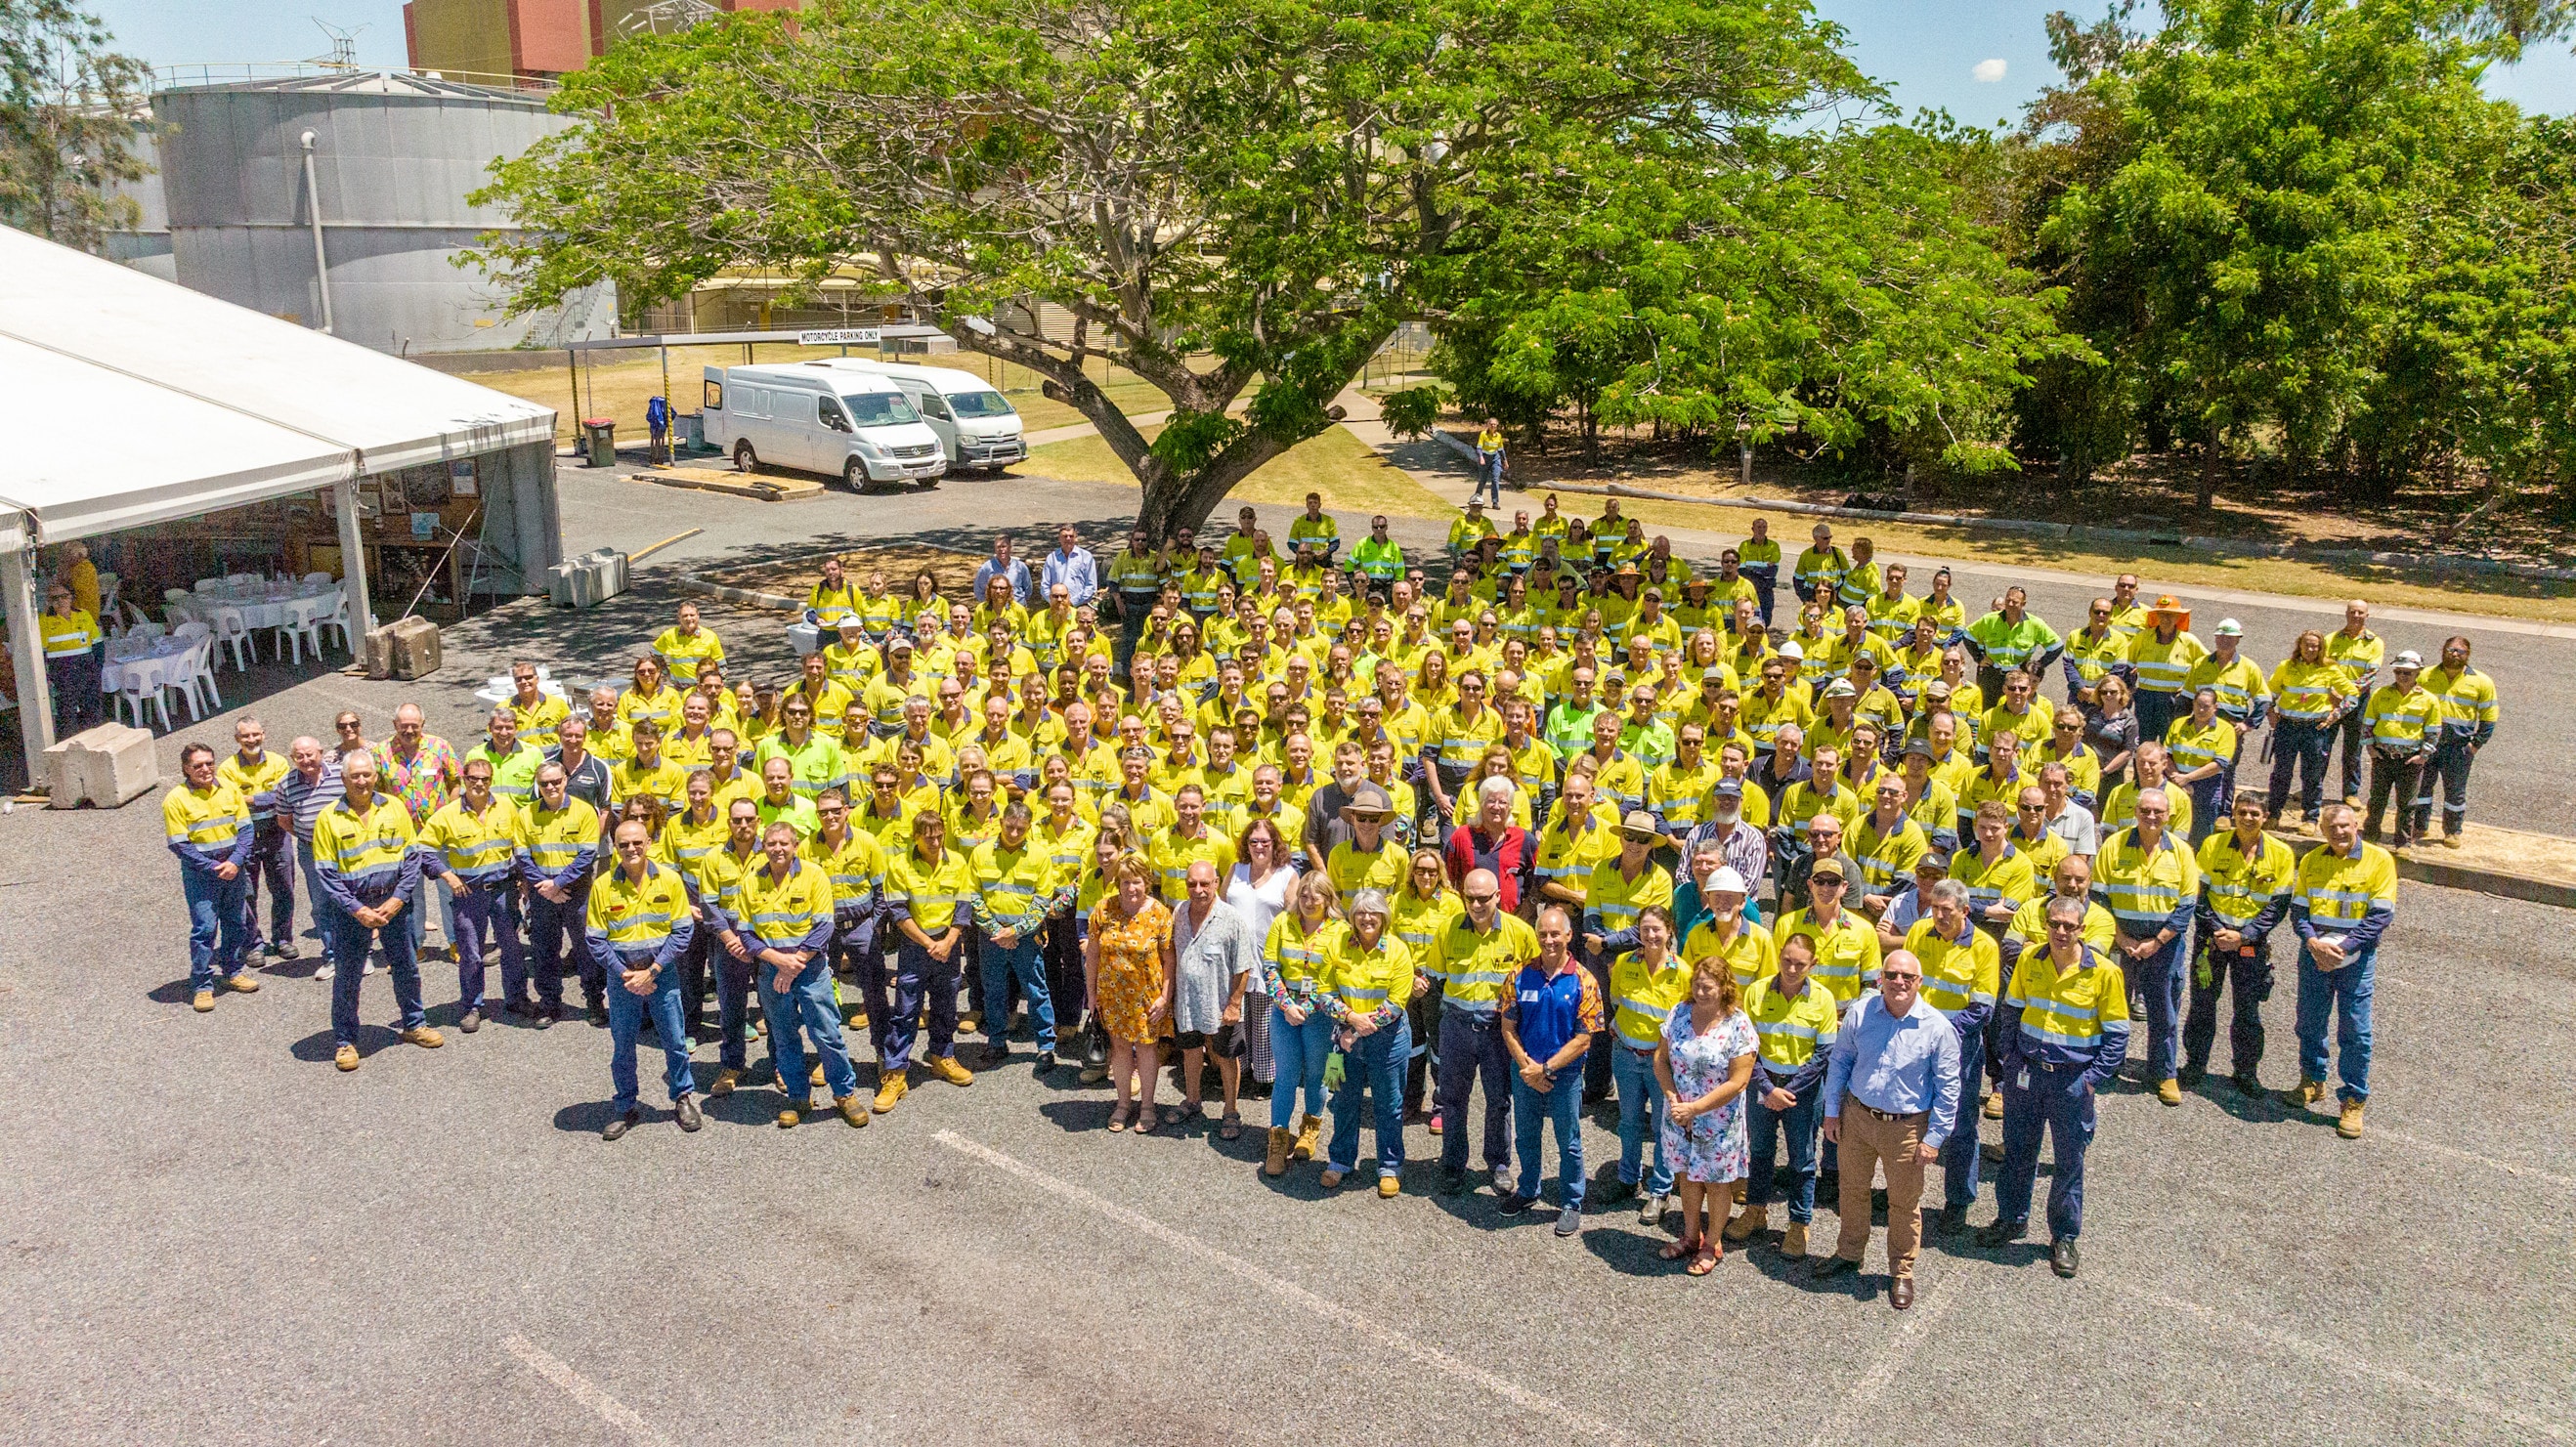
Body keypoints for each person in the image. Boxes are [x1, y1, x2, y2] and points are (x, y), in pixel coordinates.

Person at [1978, 896, 2130, 1278]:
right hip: (2027, 1074)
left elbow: (2117, 1035)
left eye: (2069, 926)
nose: (2061, 932)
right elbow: (2011, 1010)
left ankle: (2063, 1236)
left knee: (2068, 1162)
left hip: (2072, 1081)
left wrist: (2092, 1080)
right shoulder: (2030, 959)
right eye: (2054, 924)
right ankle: (2011, 1218)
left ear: (2082, 930)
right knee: (2017, 1152)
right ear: (2046, 925)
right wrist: (2010, 1058)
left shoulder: (2106, 973)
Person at [1812, 948, 1959, 1310]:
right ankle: (1849, 1253)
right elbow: (1841, 1062)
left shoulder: (1937, 1028)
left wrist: (1934, 1139)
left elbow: (1948, 1088)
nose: (1899, 982)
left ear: (1919, 982)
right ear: (1881, 978)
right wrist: (1832, 1113)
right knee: (1852, 1191)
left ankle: (1902, 1270)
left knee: (1903, 1203)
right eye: (1891, 974)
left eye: (1907, 976)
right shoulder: (1860, 1013)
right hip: (1858, 1117)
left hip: (1906, 1128)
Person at [313, 754, 443, 1072]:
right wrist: (357, 910)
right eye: (355, 776)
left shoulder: (395, 807)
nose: (362, 781)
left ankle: (414, 1024)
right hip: (352, 910)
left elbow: (412, 858)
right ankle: (345, 1041)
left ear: (375, 777)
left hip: (394, 904)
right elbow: (326, 873)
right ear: (344, 779)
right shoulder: (329, 818)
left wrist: (398, 899)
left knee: (406, 967)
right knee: (348, 975)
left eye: (367, 775)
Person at [731, 822, 865, 1128]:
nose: (777, 849)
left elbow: (824, 926)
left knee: (827, 1034)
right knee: (784, 1038)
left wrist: (795, 964)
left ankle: (844, 1094)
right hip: (772, 972)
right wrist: (780, 962)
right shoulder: (751, 882)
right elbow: (746, 933)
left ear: (795, 846)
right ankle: (797, 1097)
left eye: (784, 843)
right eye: (771, 843)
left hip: (811, 971)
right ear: (763, 847)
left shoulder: (814, 876)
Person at [2286, 802, 2397, 1139]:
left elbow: (2380, 916)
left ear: (2357, 825)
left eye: (2345, 826)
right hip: (2315, 955)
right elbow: (2299, 911)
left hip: (2356, 959)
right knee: (2309, 1021)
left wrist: (2343, 948)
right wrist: (2313, 943)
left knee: (2355, 1030)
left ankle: (2353, 1099)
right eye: (2332, 827)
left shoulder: (2379, 860)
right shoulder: (2311, 860)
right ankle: (2312, 1080)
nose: (2339, 832)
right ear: (2322, 830)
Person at [1725, 932, 1838, 1261]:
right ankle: (1756, 1210)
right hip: (1763, 1084)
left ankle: (1799, 1222)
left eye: (1800, 964)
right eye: (1786, 961)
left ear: (1813, 964)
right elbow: (1746, 1046)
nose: (1791, 969)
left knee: (1802, 1158)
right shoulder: (1757, 992)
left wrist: (1787, 1091)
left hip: (1802, 1091)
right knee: (1759, 1151)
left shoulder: (1823, 999)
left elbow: (1823, 1054)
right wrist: (1768, 1088)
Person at [589, 819, 704, 1139]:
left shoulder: (669, 880)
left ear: (649, 843)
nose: (631, 849)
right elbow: (595, 939)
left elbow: (682, 931)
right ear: (615, 847)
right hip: (622, 977)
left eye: (637, 842)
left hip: (661, 974)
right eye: (623, 844)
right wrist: (625, 973)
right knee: (623, 1045)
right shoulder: (602, 886)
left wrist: (652, 971)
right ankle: (626, 1105)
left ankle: (682, 1098)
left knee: (675, 1040)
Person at [1428, 868, 1536, 1194]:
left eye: (1483, 899)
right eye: (1470, 898)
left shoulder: (1520, 933)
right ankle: (1452, 1164)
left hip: (1497, 1031)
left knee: (1499, 1100)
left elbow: (1534, 982)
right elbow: (1436, 976)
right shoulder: (1448, 929)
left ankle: (1499, 1163)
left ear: (1498, 897)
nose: (1476, 905)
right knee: (1452, 1099)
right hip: (1456, 1025)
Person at [1500, 905, 1605, 1236]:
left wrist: (1545, 1068)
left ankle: (1571, 1202)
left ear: (1569, 935)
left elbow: (1584, 1039)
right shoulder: (1519, 975)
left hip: (1566, 1076)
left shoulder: (1584, 981)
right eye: (1543, 934)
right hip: (1526, 1072)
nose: (1549, 940)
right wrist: (1528, 1068)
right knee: (1526, 1136)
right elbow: (1507, 1027)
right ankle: (1528, 1190)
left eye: (1555, 934)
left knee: (1568, 1141)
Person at [1906, 880, 2000, 1236]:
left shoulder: (1984, 947)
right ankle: (1904, 1194)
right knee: (1909, 1119)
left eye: (1947, 910)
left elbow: (1981, 1009)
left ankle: (1958, 1201)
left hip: (1960, 1050)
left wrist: (1938, 1035)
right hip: (1913, 1044)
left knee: (1960, 1126)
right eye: (1935, 908)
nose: (1939, 916)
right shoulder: (1919, 933)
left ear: (1965, 911)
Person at [2093, 787, 2198, 1106]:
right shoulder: (2114, 845)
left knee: (2163, 1010)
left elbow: (2186, 905)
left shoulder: (2181, 851)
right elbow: (2099, 897)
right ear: (2136, 812)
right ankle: (2108, 1066)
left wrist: (2157, 941)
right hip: (2120, 941)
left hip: (2164, 945)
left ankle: (2164, 1073)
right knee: (2111, 1007)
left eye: (2158, 812)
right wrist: (2121, 938)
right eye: (2145, 811)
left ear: (2168, 815)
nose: (2151, 817)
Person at [2185, 793, 2296, 1094]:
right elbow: (2199, 895)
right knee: (2202, 1004)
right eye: (2242, 812)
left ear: (2265, 817)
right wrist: (2218, 930)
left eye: (2255, 814)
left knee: (2247, 1009)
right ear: (2233, 813)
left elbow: (2278, 906)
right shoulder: (2213, 844)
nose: (2248, 818)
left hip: (2250, 945)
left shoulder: (2281, 853)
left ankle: (2246, 1072)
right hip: (2212, 940)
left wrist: (2244, 936)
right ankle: (2195, 1064)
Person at [1655, 953, 1757, 1273]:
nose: (1701, 992)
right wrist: (1673, 1099)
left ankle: (1712, 1244)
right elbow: (1661, 1060)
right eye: (1697, 985)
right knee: (1687, 1176)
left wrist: (1695, 1108)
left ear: (1725, 987)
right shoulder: (1679, 1013)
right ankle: (1690, 1236)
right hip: (1679, 1115)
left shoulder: (1738, 1024)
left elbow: (1739, 1081)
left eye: (1708, 987)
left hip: (1718, 1122)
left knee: (1715, 1182)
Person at [877, 812, 981, 1112]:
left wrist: (949, 941)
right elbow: (899, 912)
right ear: (916, 837)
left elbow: (963, 906)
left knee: (946, 1006)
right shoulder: (900, 865)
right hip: (915, 947)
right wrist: (929, 943)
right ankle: (896, 1073)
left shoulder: (957, 862)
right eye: (928, 837)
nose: (935, 842)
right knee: (906, 1010)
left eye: (939, 836)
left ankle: (941, 1056)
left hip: (948, 946)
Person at [415, 755, 525, 1034]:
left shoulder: (506, 808)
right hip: (469, 894)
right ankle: (472, 1006)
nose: (479, 783)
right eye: (473, 778)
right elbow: (422, 848)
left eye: (484, 779)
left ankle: (516, 999)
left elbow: (520, 845)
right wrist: (447, 875)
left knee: (512, 948)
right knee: (471, 953)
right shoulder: (448, 814)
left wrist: (523, 879)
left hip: (503, 890)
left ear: (491, 781)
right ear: (464, 780)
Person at [1315, 888, 1413, 1194]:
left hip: (1388, 1040)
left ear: (1384, 916)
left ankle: (1390, 1166)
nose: (1367, 918)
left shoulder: (1397, 951)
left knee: (1389, 1105)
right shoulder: (1337, 944)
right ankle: (1341, 1161)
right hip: (1345, 1039)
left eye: (1373, 912)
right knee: (1344, 1101)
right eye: (1360, 912)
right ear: (1352, 916)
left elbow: (1395, 1004)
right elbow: (1323, 992)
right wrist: (1349, 1017)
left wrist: (1356, 1029)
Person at [1605, 905, 1689, 1223]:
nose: (1651, 935)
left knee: (1662, 1127)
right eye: (1645, 929)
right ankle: (1628, 1178)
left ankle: (1660, 1191)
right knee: (1629, 1121)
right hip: (1626, 1055)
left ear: (1669, 931)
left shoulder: (1683, 973)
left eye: (1657, 929)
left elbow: (1686, 1021)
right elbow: (1616, 1001)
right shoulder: (1624, 964)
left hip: (1662, 1062)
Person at [1087, 852, 1176, 1133]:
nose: (1131, 888)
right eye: (1125, 882)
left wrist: (1165, 996)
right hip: (1112, 995)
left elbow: (1169, 959)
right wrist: (1092, 994)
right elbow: (1093, 954)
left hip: (1147, 997)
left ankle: (1147, 1107)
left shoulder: (1159, 913)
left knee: (1147, 1050)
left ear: (1146, 882)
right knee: (1120, 1049)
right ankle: (1123, 1104)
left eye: (1136, 882)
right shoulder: (1104, 909)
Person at [165, 742, 257, 1012]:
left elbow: (246, 829)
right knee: (205, 929)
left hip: (234, 869)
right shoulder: (176, 799)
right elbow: (180, 844)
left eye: (209, 763)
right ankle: (202, 985)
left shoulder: (229, 788)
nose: (205, 769)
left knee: (236, 924)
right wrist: (215, 867)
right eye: (198, 765)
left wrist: (235, 862)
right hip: (202, 876)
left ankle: (232, 971)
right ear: (186, 768)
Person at [1260, 870, 1342, 1170]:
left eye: (1315, 896)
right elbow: (1270, 968)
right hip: (1285, 1011)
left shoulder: (1340, 930)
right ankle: (1278, 1141)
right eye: (1304, 895)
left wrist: (1309, 1006)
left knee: (1318, 1074)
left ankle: (1310, 1129)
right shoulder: (1283, 922)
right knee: (1286, 1075)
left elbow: (1337, 975)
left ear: (1327, 899)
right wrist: (1287, 1006)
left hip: (1320, 1014)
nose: (1308, 901)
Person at [972, 800, 1063, 1068]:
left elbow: (1042, 901)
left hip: (1026, 937)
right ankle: (996, 1043)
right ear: (1001, 822)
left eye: (1020, 829)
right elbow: (973, 896)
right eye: (1010, 827)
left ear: (1029, 827)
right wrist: (997, 931)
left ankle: (1045, 1047)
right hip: (991, 936)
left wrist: (1015, 931)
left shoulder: (1039, 856)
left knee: (1036, 990)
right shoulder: (981, 853)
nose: (1014, 833)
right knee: (994, 991)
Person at [1168, 859, 1255, 1130]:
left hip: (1221, 1004)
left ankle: (1231, 1111)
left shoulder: (1231, 919)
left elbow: (1244, 965)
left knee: (1226, 1057)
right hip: (1187, 1003)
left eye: (1205, 884)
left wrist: (1234, 1004)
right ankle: (1192, 1100)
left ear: (1216, 883)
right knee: (1190, 1051)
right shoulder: (1179, 912)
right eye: (1192, 884)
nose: (1198, 890)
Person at [517, 762, 602, 1027]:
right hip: (542, 893)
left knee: (586, 948)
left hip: (577, 891)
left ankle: (594, 1001)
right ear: (537, 785)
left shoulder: (584, 811)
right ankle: (549, 1004)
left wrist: (558, 884)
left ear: (565, 780)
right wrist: (547, 887)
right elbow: (522, 856)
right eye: (544, 783)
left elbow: (587, 855)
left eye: (556, 781)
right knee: (544, 950)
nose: (551, 787)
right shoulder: (526, 815)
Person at [216, 717, 296, 964]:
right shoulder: (227, 769)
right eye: (245, 736)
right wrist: (265, 799)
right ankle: (253, 944)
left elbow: (283, 795)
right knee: (247, 893)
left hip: (276, 832)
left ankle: (283, 939)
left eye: (255, 734)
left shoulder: (278, 762)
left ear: (263, 734)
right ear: (236, 739)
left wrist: (251, 799)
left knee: (284, 888)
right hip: (245, 837)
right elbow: (230, 801)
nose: (251, 740)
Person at [2413, 635, 2497, 848]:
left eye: (2460, 651)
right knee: (2421, 787)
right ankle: (2419, 826)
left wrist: (2475, 745)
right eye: (2451, 650)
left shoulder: (2481, 682)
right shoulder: (2425, 675)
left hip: (2458, 748)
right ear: (2443, 651)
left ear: (2468, 655)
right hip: (2427, 744)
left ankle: (2452, 831)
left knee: (2455, 792)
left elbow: (2489, 716)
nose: (2455, 654)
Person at [2361, 650, 2440, 848]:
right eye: (2398, 672)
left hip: (2410, 760)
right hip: (2383, 757)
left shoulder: (2428, 700)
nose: (2402, 676)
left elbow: (2433, 731)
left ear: (2418, 673)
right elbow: (2368, 723)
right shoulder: (2381, 694)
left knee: (2407, 804)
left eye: (2407, 673)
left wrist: (2423, 756)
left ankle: (2403, 843)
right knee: (2377, 800)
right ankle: (2370, 837)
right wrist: (2371, 749)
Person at [272, 736, 337, 965]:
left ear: (321, 752)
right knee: (321, 904)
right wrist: (308, 834)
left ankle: (360, 954)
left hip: (345, 849)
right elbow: (284, 821)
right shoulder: (286, 784)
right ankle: (333, 955)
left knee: (352, 899)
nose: (306, 760)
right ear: (293, 759)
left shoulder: (341, 775)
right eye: (299, 756)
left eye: (310, 754)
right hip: (312, 851)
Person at [37, 580, 102, 738]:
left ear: (71, 597)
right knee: (67, 713)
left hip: (86, 668)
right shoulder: (44, 620)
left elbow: (98, 645)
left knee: (92, 709)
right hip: (62, 671)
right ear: (49, 601)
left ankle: (96, 742)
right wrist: (47, 677)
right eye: (55, 598)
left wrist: (97, 669)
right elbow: (41, 653)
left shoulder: (83, 615)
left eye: (64, 596)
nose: (60, 601)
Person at [1041, 524, 1099, 608]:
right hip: (1056, 606)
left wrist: (1072, 602)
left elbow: (1091, 586)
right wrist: (1054, 601)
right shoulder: (1052, 558)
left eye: (1071, 536)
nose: (1068, 539)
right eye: (1065, 536)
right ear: (1059, 539)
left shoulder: (1086, 557)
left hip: (1080, 606)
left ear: (1076, 538)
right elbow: (1044, 585)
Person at [970, 532, 1034, 607]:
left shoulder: (1021, 567)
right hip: (995, 610)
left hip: (1017, 609)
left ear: (1010, 547)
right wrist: (990, 606)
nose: (1001, 550)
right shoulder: (986, 568)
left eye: (1004, 546)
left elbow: (1028, 590)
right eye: (998, 547)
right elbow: (979, 591)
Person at [1473, 418, 1507, 507]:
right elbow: (1479, 448)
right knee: (1483, 480)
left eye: (1495, 424)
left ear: (1497, 425)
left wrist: (1505, 461)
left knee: (1495, 479)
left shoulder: (1498, 436)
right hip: (1484, 458)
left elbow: (1501, 450)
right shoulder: (1483, 434)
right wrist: (1481, 457)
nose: (1493, 426)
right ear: (1488, 425)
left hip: (1495, 458)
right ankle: (1477, 497)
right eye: (1491, 424)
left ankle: (1495, 502)